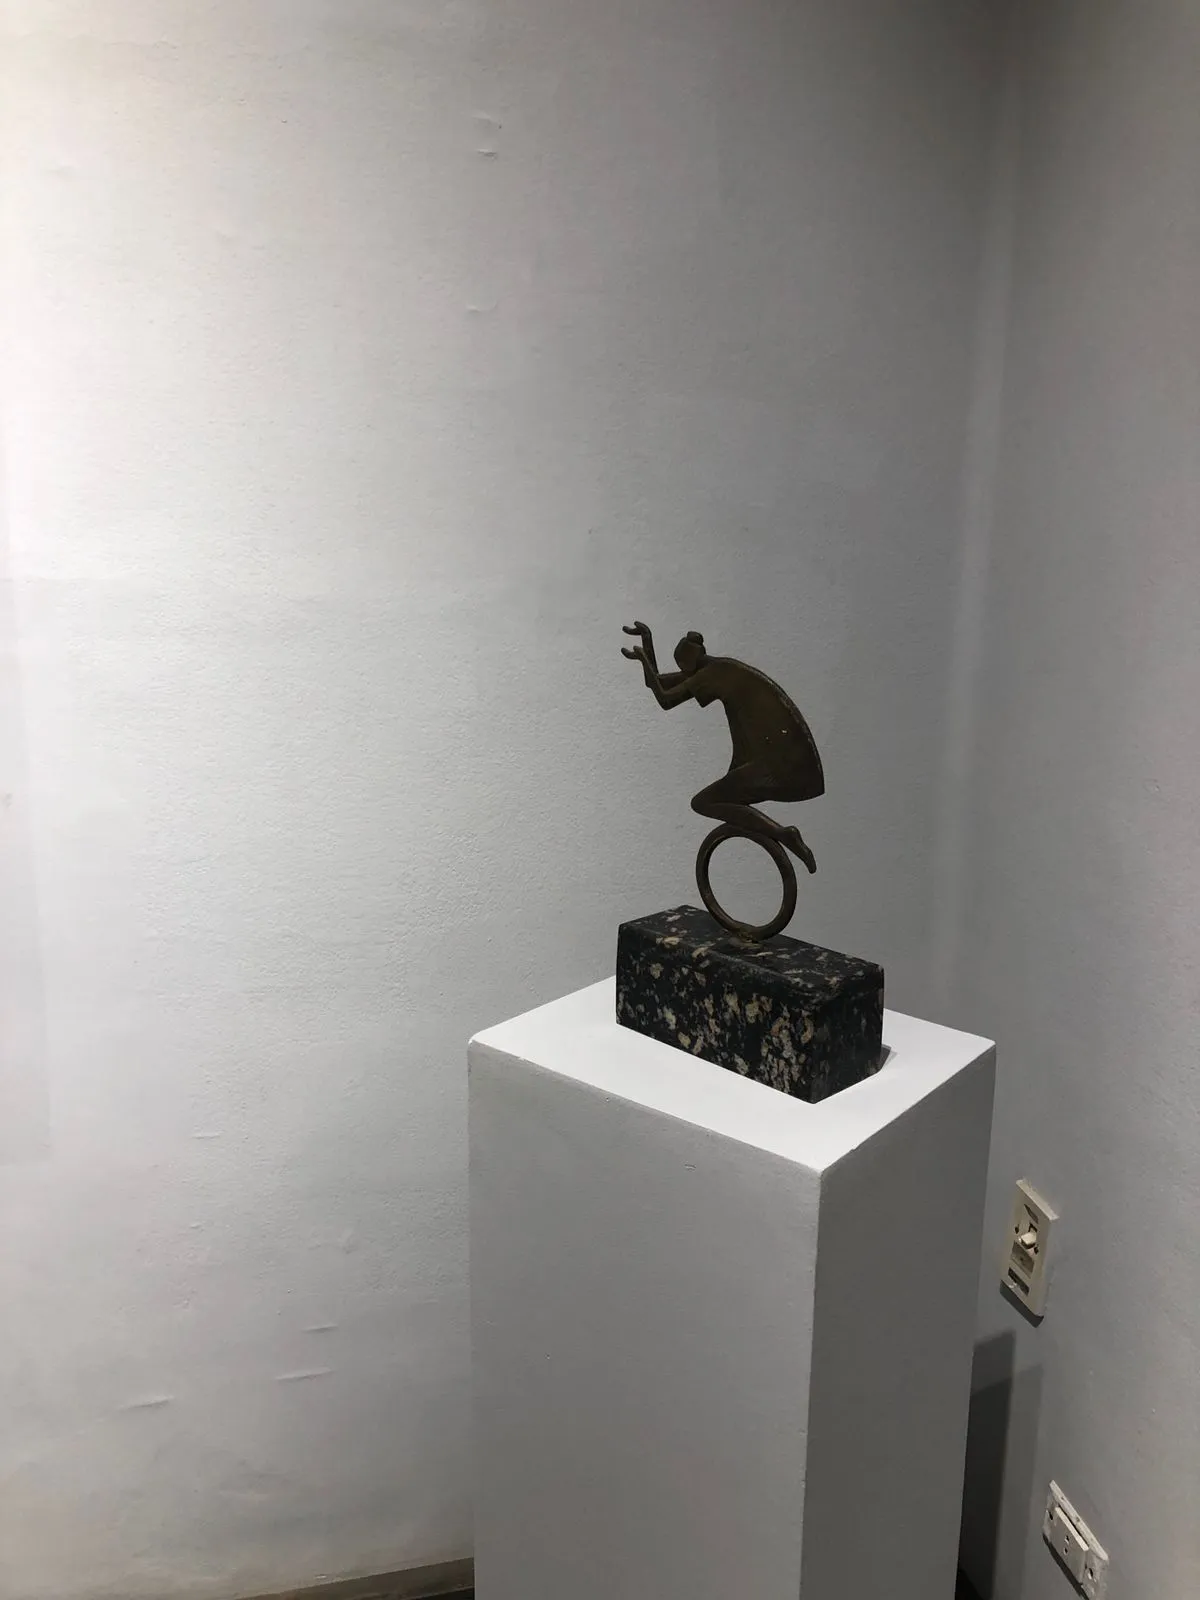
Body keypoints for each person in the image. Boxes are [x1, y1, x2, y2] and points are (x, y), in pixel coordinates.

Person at [622, 621, 822, 873]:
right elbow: (660, 683)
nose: (682, 672)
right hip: (783, 762)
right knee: (720, 800)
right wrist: (647, 641)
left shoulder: (714, 674)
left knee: (704, 802)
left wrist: (644, 658)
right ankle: (782, 834)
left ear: (689, 663)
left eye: (682, 667)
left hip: (778, 766)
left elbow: (665, 699)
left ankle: (783, 834)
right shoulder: (718, 668)